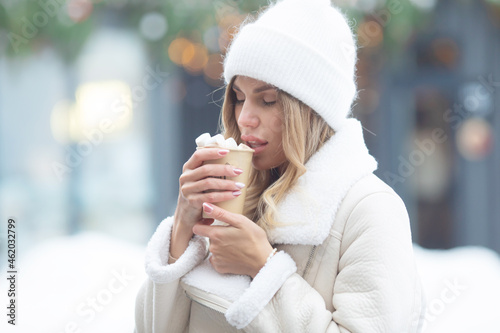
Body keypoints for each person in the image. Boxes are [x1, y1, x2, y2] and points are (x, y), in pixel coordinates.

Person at [135, 0, 425, 331]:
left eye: (268, 100)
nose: (244, 118)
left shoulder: (370, 210)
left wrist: (266, 268)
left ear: (312, 110)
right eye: (239, 97)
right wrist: (183, 229)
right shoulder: (231, 197)